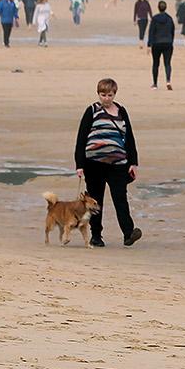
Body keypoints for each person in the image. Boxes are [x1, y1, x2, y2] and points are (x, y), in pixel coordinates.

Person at [74, 79, 142, 247]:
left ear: (114, 94)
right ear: (98, 94)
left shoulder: (121, 111)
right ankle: (96, 236)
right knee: (95, 201)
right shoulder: (92, 111)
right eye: (103, 95)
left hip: (118, 165)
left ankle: (128, 233)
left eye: (109, 95)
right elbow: (81, 138)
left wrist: (133, 162)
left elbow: (129, 138)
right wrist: (80, 165)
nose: (106, 98)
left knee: (120, 199)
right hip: (93, 164)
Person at [146, 0, 177, 89]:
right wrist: (171, 41)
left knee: (156, 63)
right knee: (167, 63)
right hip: (168, 43)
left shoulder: (155, 19)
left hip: (156, 43)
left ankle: (155, 84)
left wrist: (149, 44)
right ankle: (168, 81)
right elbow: (172, 31)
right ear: (165, 8)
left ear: (158, 8)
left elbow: (151, 32)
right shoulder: (169, 19)